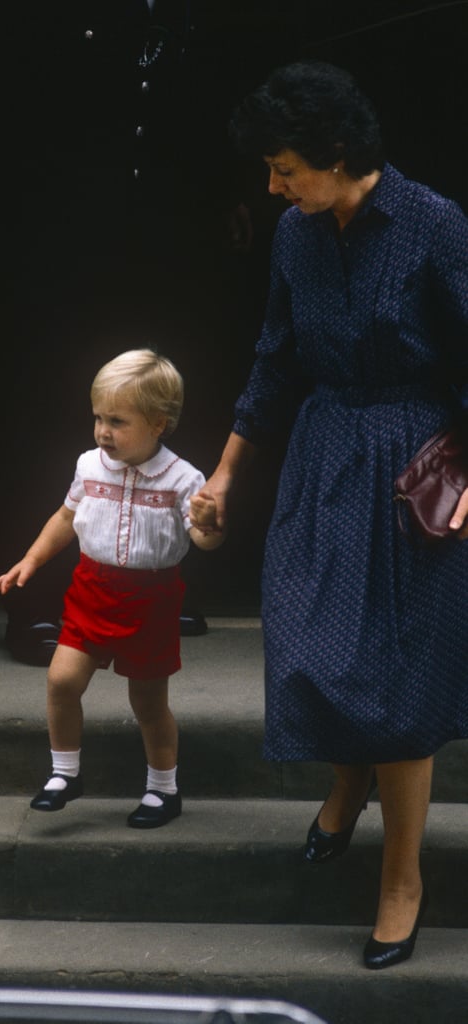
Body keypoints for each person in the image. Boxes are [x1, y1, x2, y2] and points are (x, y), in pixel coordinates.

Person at [191, 61, 468, 968]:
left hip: (416, 466)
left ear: (336, 153)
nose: (272, 186)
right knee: (311, 640)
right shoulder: (293, 235)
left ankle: (400, 877)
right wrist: (227, 473)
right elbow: (275, 358)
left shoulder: (433, 225)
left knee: (397, 676)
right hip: (324, 455)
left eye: (284, 168)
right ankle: (350, 781)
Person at [0, 348, 224, 829]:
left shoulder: (183, 479)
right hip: (91, 591)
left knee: (148, 702)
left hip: (151, 600)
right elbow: (65, 516)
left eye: (118, 421)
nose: (103, 431)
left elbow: (203, 540)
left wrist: (210, 523)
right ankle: (65, 774)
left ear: (159, 423)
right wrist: (30, 560)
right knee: (61, 680)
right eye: (98, 417)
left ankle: (163, 790)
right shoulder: (89, 465)